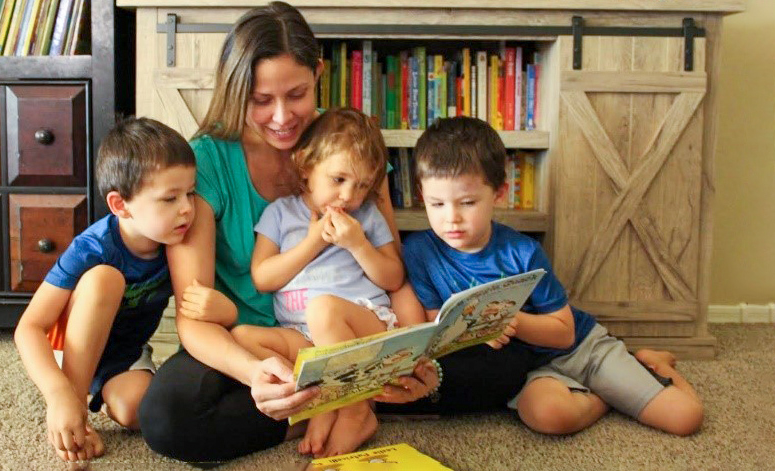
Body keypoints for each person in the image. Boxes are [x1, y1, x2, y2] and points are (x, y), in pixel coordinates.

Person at [138, 2, 535, 465]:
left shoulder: (352, 145)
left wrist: (410, 355)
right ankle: (333, 404)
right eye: (261, 100)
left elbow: (392, 272)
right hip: (265, 343)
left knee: (509, 361)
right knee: (169, 417)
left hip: (356, 330)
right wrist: (254, 375)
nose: (282, 117)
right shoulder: (204, 161)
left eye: (297, 94)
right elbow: (194, 317)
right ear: (235, 89)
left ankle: (346, 397)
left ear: (318, 74)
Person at [403, 116, 704, 437]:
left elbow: (563, 333)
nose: (452, 219)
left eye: (467, 202)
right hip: (530, 369)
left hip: (582, 349)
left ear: (499, 193)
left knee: (685, 419)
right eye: (436, 203)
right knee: (549, 418)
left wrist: (509, 323)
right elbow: (438, 323)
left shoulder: (522, 251)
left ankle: (654, 364)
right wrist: (474, 335)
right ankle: (609, 395)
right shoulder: (419, 250)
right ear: (422, 196)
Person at [231, 108, 416, 457]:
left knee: (323, 309)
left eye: (362, 185)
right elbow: (263, 277)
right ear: (305, 166)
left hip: (363, 325)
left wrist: (358, 244)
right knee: (242, 338)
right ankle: (322, 399)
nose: (349, 196)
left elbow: (393, 276)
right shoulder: (280, 214)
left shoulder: (366, 217)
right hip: (304, 337)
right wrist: (314, 241)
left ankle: (355, 409)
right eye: (339, 179)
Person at [14, 117, 198, 461]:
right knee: (105, 279)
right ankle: (75, 408)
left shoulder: (179, 242)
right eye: (170, 198)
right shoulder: (93, 247)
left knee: (135, 412)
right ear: (120, 205)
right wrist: (58, 393)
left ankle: (87, 395)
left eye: (190, 192)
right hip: (71, 346)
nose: (187, 207)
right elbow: (29, 327)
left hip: (124, 352)